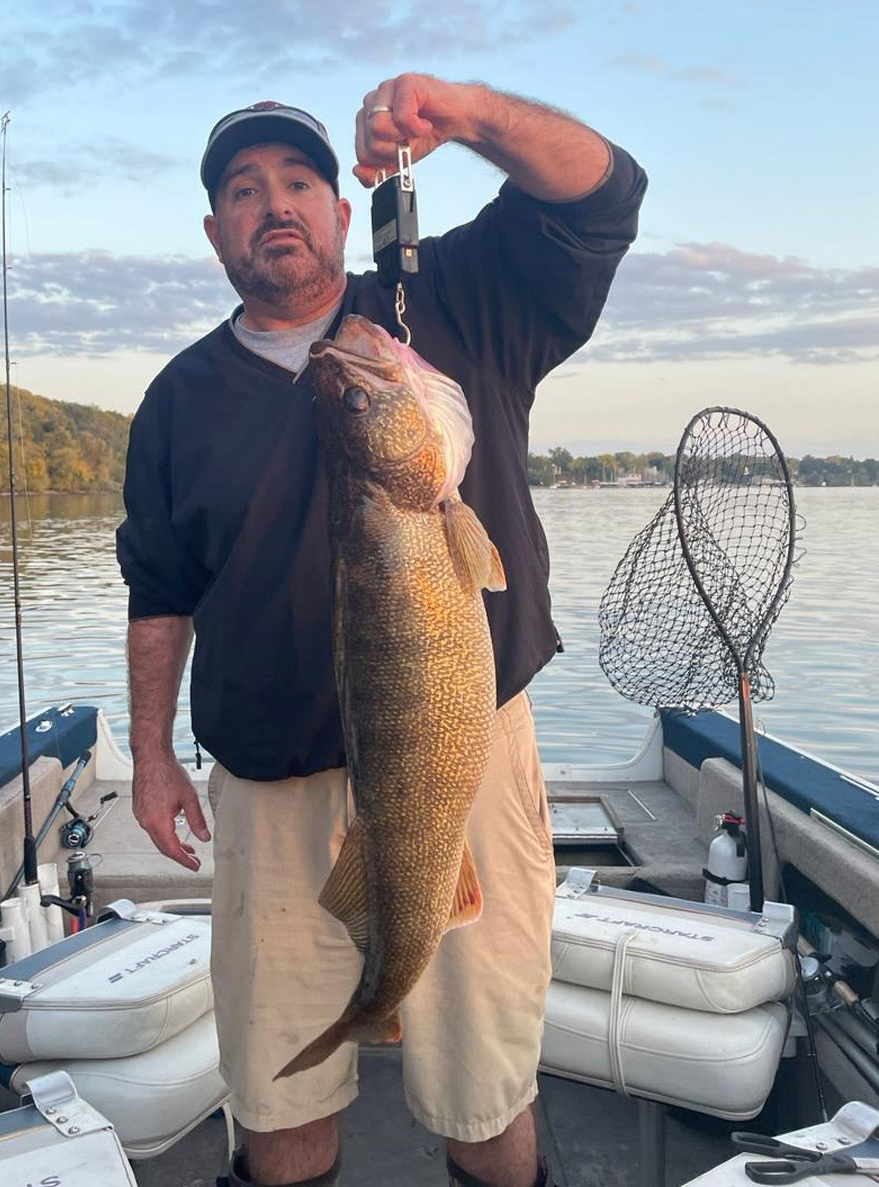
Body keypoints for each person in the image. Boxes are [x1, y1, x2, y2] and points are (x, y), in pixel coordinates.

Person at [117, 74, 646, 1187]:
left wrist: (470, 116)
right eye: (245, 190)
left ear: (343, 211)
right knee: (276, 1098)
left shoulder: (446, 299)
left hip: (463, 763)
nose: (276, 205)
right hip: (268, 789)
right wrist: (152, 750)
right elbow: (158, 587)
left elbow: (602, 197)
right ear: (214, 229)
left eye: (300, 182)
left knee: (487, 1080)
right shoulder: (177, 400)